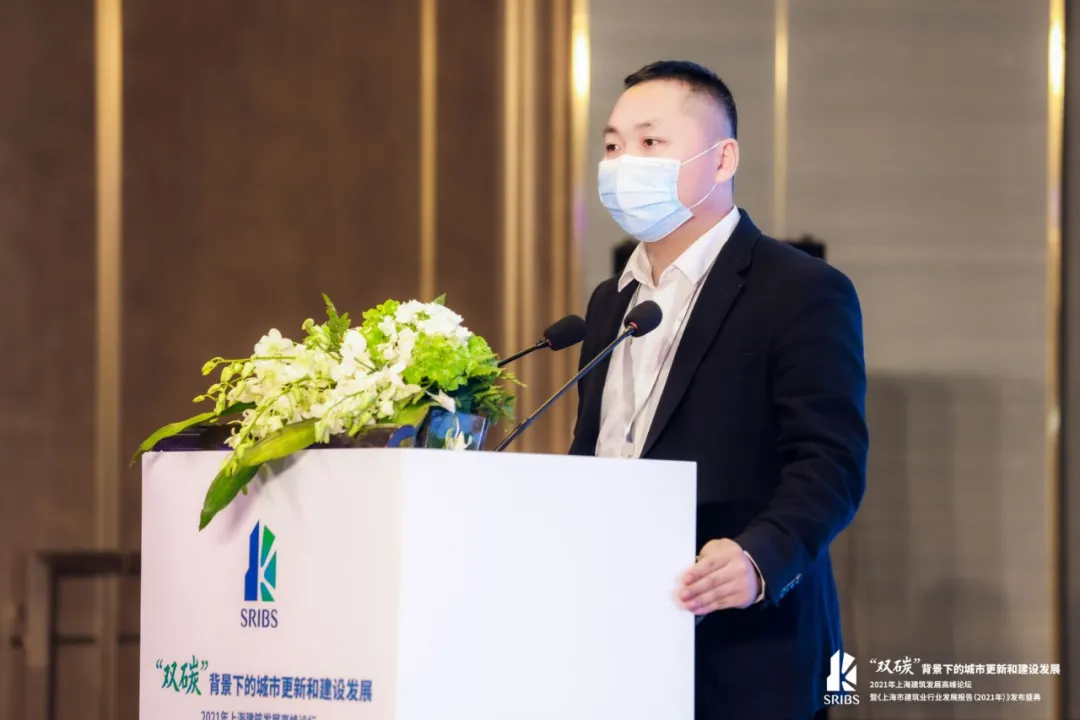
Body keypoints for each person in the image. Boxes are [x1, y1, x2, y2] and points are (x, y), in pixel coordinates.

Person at [569, 60, 868, 720]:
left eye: (651, 142)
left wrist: (760, 559)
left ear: (723, 158)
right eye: (612, 145)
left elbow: (832, 462)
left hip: (749, 650)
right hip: (618, 640)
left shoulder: (800, 289)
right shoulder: (609, 302)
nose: (623, 163)